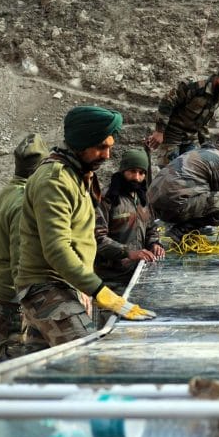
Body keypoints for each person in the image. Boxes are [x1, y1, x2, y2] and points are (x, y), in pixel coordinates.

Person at [15, 106, 156, 352]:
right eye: (101, 147)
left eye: (110, 147)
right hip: (47, 288)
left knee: (46, 372)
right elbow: (57, 249)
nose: (107, 155)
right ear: (81, 144)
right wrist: (101, 291)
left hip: (64, 285)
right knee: (89, 355)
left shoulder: (77, 175)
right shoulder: (55, 180)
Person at [0, 133, 49, 365]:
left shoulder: (3, 195)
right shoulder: (23, 203)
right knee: (13, 374)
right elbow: (21, 263)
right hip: (12, 305)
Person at [147, 134, 219, 243]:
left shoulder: (202, 152)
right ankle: (181, 230)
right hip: (174, 207)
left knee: (206, 195)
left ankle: (181, 227)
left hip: (155, 207)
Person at [144, 60, 219, 167]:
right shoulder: (194, 85)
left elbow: (202, 122)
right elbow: (167, 102)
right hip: (171, 136)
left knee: (193, 174)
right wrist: (159, 131)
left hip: (189, 140)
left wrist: (206, 146)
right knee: (171, 176)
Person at [94, 148, 166, 292]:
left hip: (139, 274)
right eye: (132, 171)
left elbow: (150, 227)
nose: (137, 177)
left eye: (141, 173)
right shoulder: (106, 199)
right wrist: (129, 252)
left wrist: (154, 244)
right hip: (111, 280)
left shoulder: (142, 198)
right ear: (123, 171)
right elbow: (97, 240)